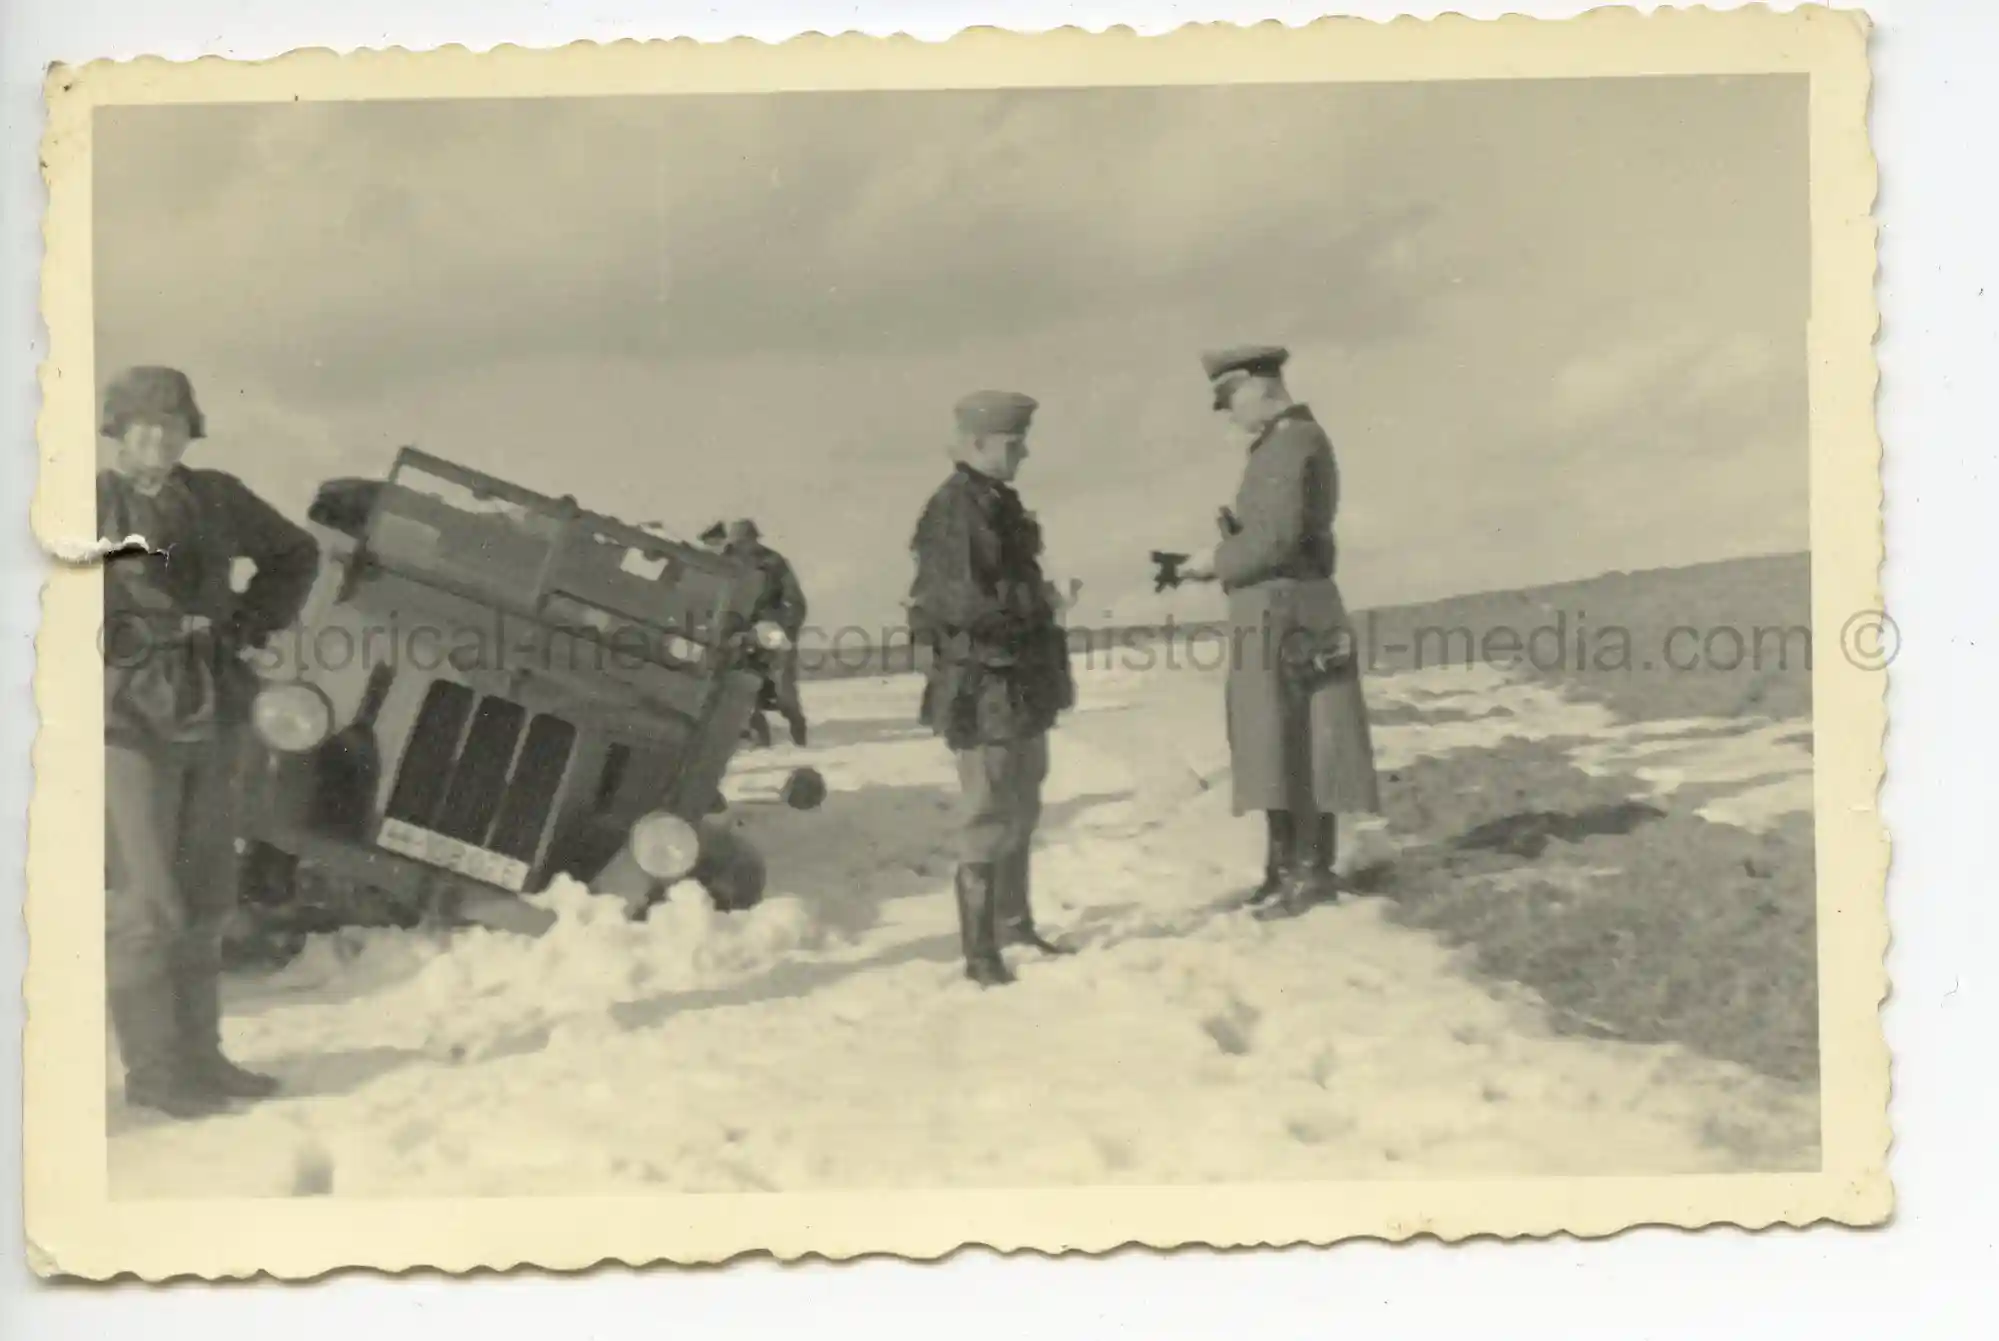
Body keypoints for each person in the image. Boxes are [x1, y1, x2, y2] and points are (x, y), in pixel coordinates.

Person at [97, 366, 322, 1118]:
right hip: (126, 721)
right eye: (142, 424)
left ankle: (203, 1056)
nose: (156, 437)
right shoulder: (89, 501)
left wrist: (250, 628)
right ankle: (156, 1073)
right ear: (118, 431)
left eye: (170, 423)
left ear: (189, 430)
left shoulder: (217, 495)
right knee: (148, 901)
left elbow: (295, 553)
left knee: (206, 893)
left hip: (215, 707)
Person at [1177, 346, 1381, 921]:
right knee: (1273, 737)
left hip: (1289, 608)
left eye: (1228, 399)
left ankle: (1308, 873)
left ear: (1257, 387)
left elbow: (1278, 540)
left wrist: (1212, 560)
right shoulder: (1282, 443)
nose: (1226, 413)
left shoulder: (1293, 442)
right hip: (1277, 605)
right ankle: (1283, 869)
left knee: (1302, 738)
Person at [907, 390, 1078, 986]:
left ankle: (1013, 922)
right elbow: (965, 604)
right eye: (1013, 444)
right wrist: (1045, 600)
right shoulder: (957, 509)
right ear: (976, 445)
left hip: (1019, 684)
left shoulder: (993, 502)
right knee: (987, 811)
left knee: (1022, 805)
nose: (1024, 453)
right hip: (984, 685)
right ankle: (980, 953)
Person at [723, 518, 811, 748]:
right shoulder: (722, 561)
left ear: (754, 540)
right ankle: (761, 740)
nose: (742, 547)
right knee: (739, 685)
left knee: (784, 688)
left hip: (771, 628)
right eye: (737, 543)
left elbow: (796, 601)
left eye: (746, 541)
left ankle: (798, 732)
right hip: (737, 631)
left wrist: (786, 629)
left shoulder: (774, 562)